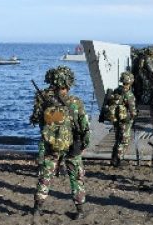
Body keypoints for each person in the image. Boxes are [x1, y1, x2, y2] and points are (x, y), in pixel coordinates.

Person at [30, 65, 90, 219]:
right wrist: (84, 144)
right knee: (76, 177)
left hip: (51, 146)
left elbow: (39, 123)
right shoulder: (76, 102)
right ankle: (80, 211)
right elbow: (85, 127)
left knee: (45, 177)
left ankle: (37, 209)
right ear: (69, 84)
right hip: (71, 146)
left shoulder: (46, 102)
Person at [100, 72, 137, 167]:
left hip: (116, 119)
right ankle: (118, 159)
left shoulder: (117, 90)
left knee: (117, 139)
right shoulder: (129, 94)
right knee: (124, 140)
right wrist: (134, 115)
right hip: (125, 120)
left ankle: (113, 158)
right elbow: (132, 111)